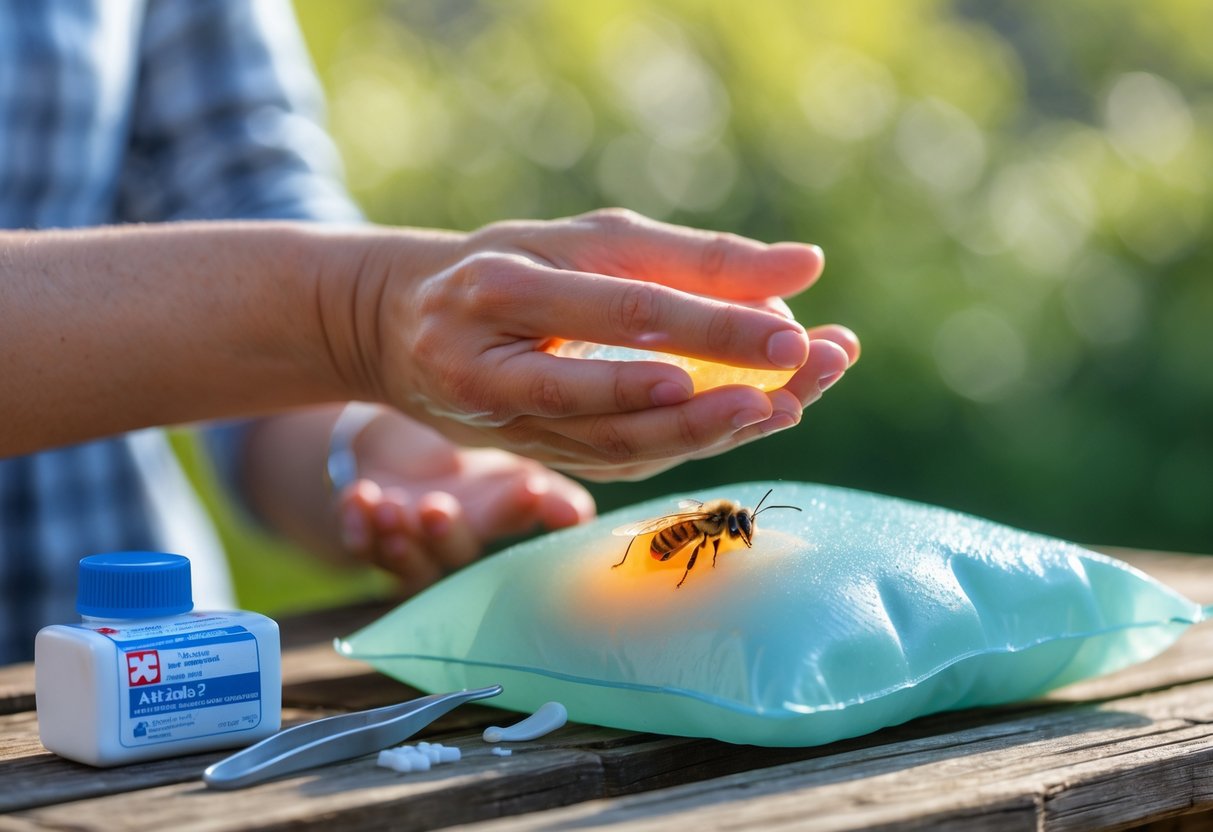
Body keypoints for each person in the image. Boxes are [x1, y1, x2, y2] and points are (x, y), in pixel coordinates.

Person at [0, 1, 859, 664]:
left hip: (154, 669)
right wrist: (363, 321)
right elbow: (316, 303)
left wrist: (370, 440)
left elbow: (242, 217)